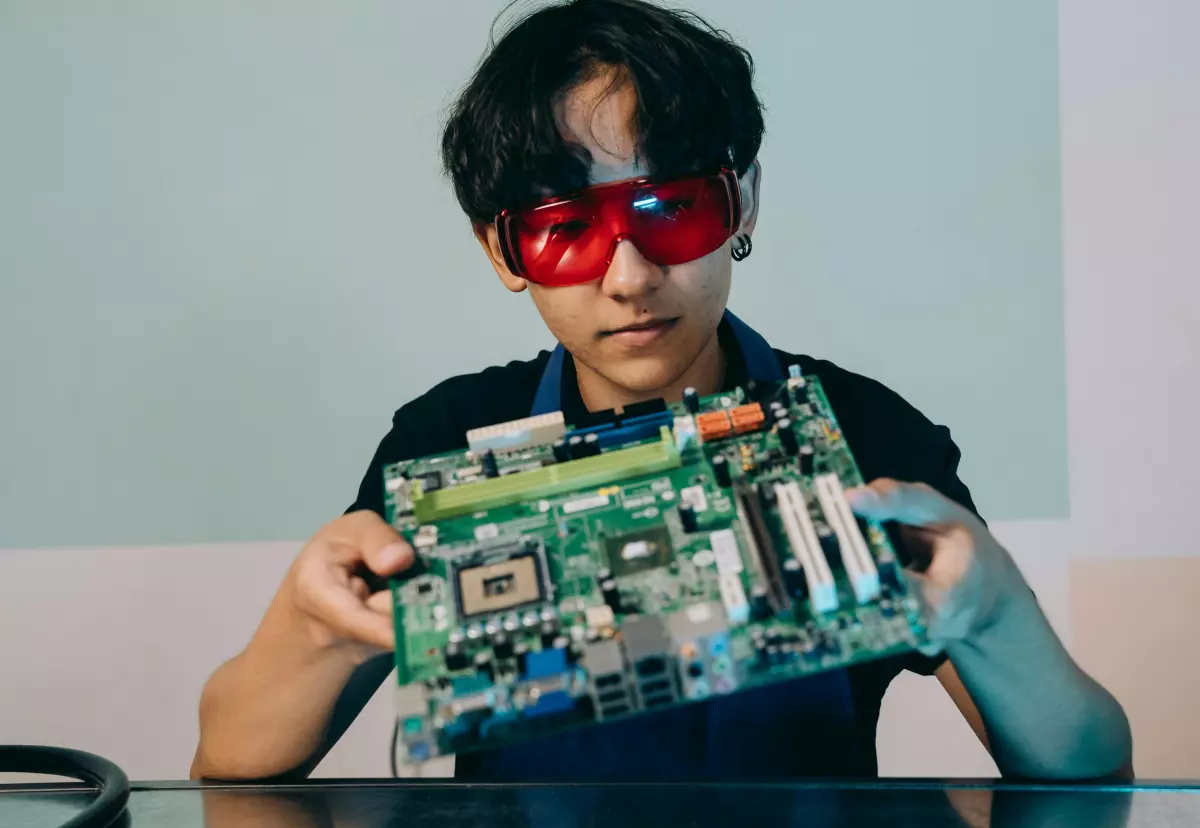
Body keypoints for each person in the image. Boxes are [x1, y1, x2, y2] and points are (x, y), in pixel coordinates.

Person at [191, 0, 1131, 783]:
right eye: (566, 229)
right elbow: (226, 765)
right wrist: (316, 628)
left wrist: (998, 610)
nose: (631, 277)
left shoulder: (863, 437)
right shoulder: (450, 438)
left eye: (671, 207)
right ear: (502, 250)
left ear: (742, 203)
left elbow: (1086, 774)